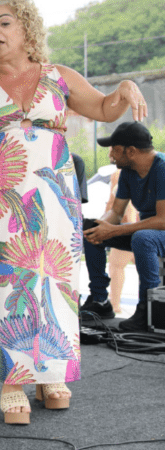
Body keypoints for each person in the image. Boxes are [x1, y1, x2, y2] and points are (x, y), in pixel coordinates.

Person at [0, 0, 147, 425]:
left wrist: (124, 87)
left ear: (27, 28)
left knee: (51, 282)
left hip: (52, 198)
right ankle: (12, 380)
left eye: (4, 21)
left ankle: (49, 372)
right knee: (6, 284)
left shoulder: (59, 76)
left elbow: (105, 108)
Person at [82, 122, 162, 331]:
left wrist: (115, 230)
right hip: (148, 233)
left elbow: (163, 220)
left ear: (131, 151)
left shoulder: (162, 169)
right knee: (90, 227)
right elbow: (116, 212)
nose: (111, 154)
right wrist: (101, 227)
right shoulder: (129, 171)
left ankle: (148, 310)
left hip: (158, 233)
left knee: (143, 238)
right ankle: (100, 301)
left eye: (114, 149)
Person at [106, 168, 139, 315]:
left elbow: (114, 206)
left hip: (128, 228)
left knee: (116, 266)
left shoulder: (121, 178)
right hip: (141, 228)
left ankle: (114, 304)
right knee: (148, 272)